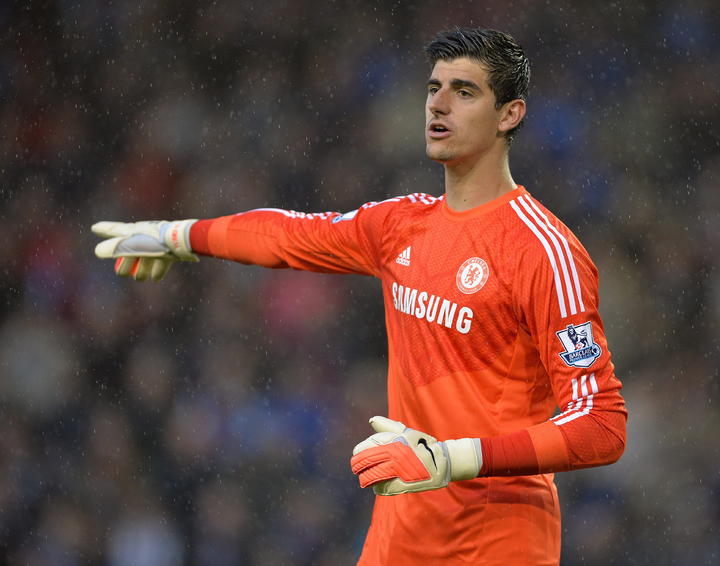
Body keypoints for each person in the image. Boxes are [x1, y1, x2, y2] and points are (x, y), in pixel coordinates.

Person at [92, 27, 627, 566]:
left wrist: (452, 458)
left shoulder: (542, 251)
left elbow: (602, 424)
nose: (438, 104)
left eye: (464, 91)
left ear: (510, 114)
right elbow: (288, 235)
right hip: (400, 536)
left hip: (498, 541)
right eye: (433, 88)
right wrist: (179, 234)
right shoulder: (402, 225)